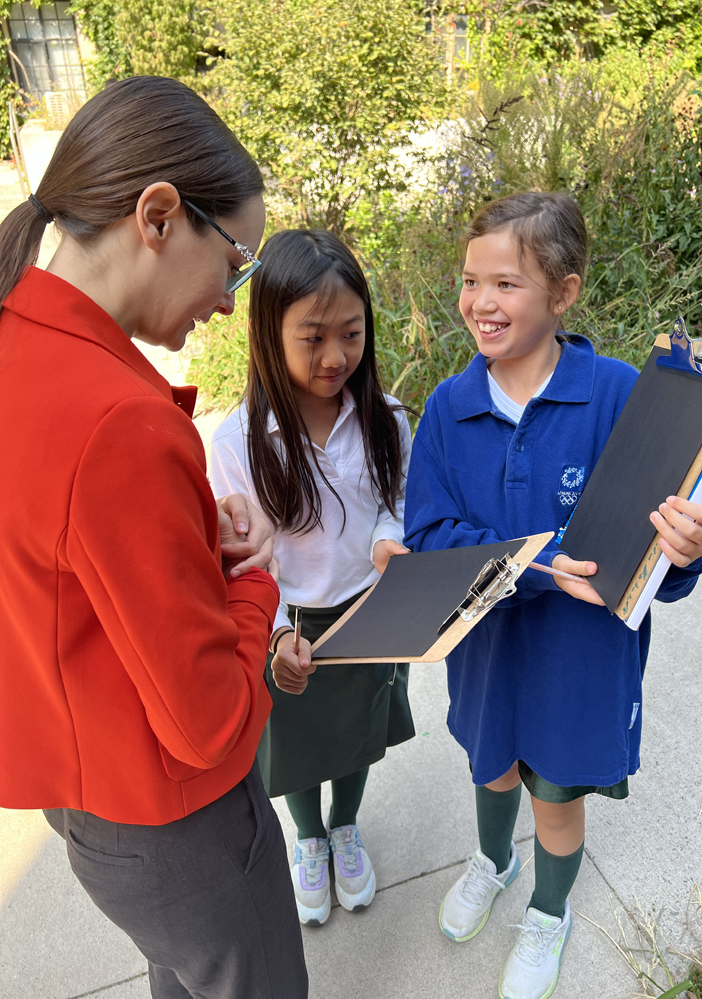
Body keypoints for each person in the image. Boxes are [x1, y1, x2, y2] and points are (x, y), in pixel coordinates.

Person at [0, 76, 308, 999]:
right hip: (177, 823)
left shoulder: (20, 343)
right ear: (160, 215)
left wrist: (179, 545)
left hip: (85, 789)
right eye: (238, 263)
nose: (228, 302)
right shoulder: (116, 420)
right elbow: (210, 721)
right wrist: (255, 581)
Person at [402, 192, 702, 999]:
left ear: (565, 291)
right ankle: (491, 861)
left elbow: (653, 557)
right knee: (492, 770)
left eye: (506, 283)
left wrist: (685, 550)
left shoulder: (623, 395)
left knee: (555, 794)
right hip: (483, 652)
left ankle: (549, 911)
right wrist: (538, 567)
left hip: (580, 663)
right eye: (470, 280)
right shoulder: (448, 408)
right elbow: (427, 541)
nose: (480, 301)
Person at [210, 228, 415, 927]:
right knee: (295, 746)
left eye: (352, 334)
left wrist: (388, 544)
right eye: (313, 338)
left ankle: (346, 826)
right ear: (270, 333)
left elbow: (394, 502)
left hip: (368, 613)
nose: (336, 357)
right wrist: (271, 639)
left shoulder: (385, 418)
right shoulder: (236, 442)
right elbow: (240, 562)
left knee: (358, 735)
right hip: (291, 625)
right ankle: (308, 837)